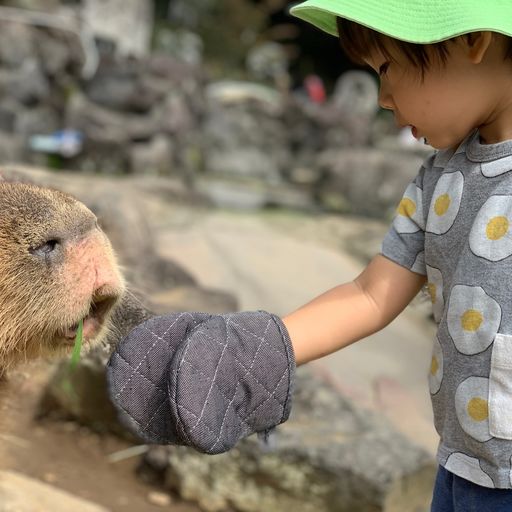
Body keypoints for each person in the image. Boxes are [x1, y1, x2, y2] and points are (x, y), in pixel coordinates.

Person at [107, 1, 512, 510]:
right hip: (459, 465)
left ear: (472, 40)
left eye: (386, 67)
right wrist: (252, 351)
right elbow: (370, 294)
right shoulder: (438, 178)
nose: (383, 97)